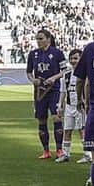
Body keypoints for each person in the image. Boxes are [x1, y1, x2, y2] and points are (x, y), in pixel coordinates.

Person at [27, 28, 65, 161]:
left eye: (41, 38)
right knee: (41, 119)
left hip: (54, 89)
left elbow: (65, 71)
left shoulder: (58, 53)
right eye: (37, 39)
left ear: (48, 39)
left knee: (56, 117)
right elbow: (29, 72)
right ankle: (46, 150)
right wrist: (33, 80)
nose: (38, 41)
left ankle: (59, 149)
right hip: (40, 91)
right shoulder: (33, 54)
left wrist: (54, 78)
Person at [56, 49, 83, 163]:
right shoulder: (66, 74)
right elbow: (63, 91)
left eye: (76, 58)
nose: (73, 61)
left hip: (80, 107)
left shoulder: (84, 73)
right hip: (69, 106)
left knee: (82, 130)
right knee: (67, 130)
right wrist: (60, 105)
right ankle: (65, 154)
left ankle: (87, 154)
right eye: (71, 58)